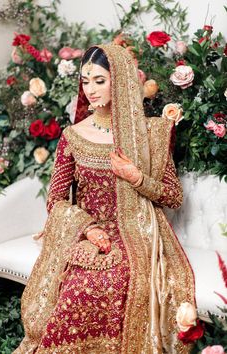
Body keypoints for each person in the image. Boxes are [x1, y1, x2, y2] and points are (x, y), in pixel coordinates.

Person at [14, 43, 195, 354]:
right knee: (78, 285)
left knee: (118, 278)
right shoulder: (73, 136)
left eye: (99, 80)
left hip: (139, 234)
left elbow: (173, 196)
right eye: (85, 81)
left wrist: (136, 177)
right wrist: (87, 229)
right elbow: (56, 201)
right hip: (89, 234)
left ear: (121, 81)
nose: (91, 90)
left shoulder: (150, 134)